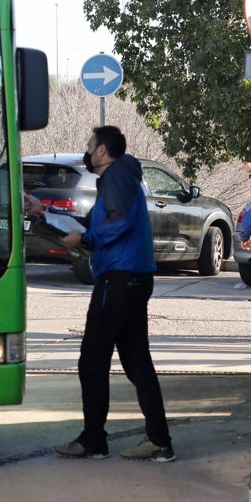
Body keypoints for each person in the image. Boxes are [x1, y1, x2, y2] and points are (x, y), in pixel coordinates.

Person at [53, 125, 175, 462]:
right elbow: (92, 225)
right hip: (133, 278)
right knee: (137, 363)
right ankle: (159, 442)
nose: (87, 151)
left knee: (92, 359)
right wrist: (45, 213)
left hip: (119, 279)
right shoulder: (118, 179)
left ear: (103, 151)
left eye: (90, 145)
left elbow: (115, 224)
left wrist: (87, 240)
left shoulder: (118, 176)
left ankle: (93, 440)